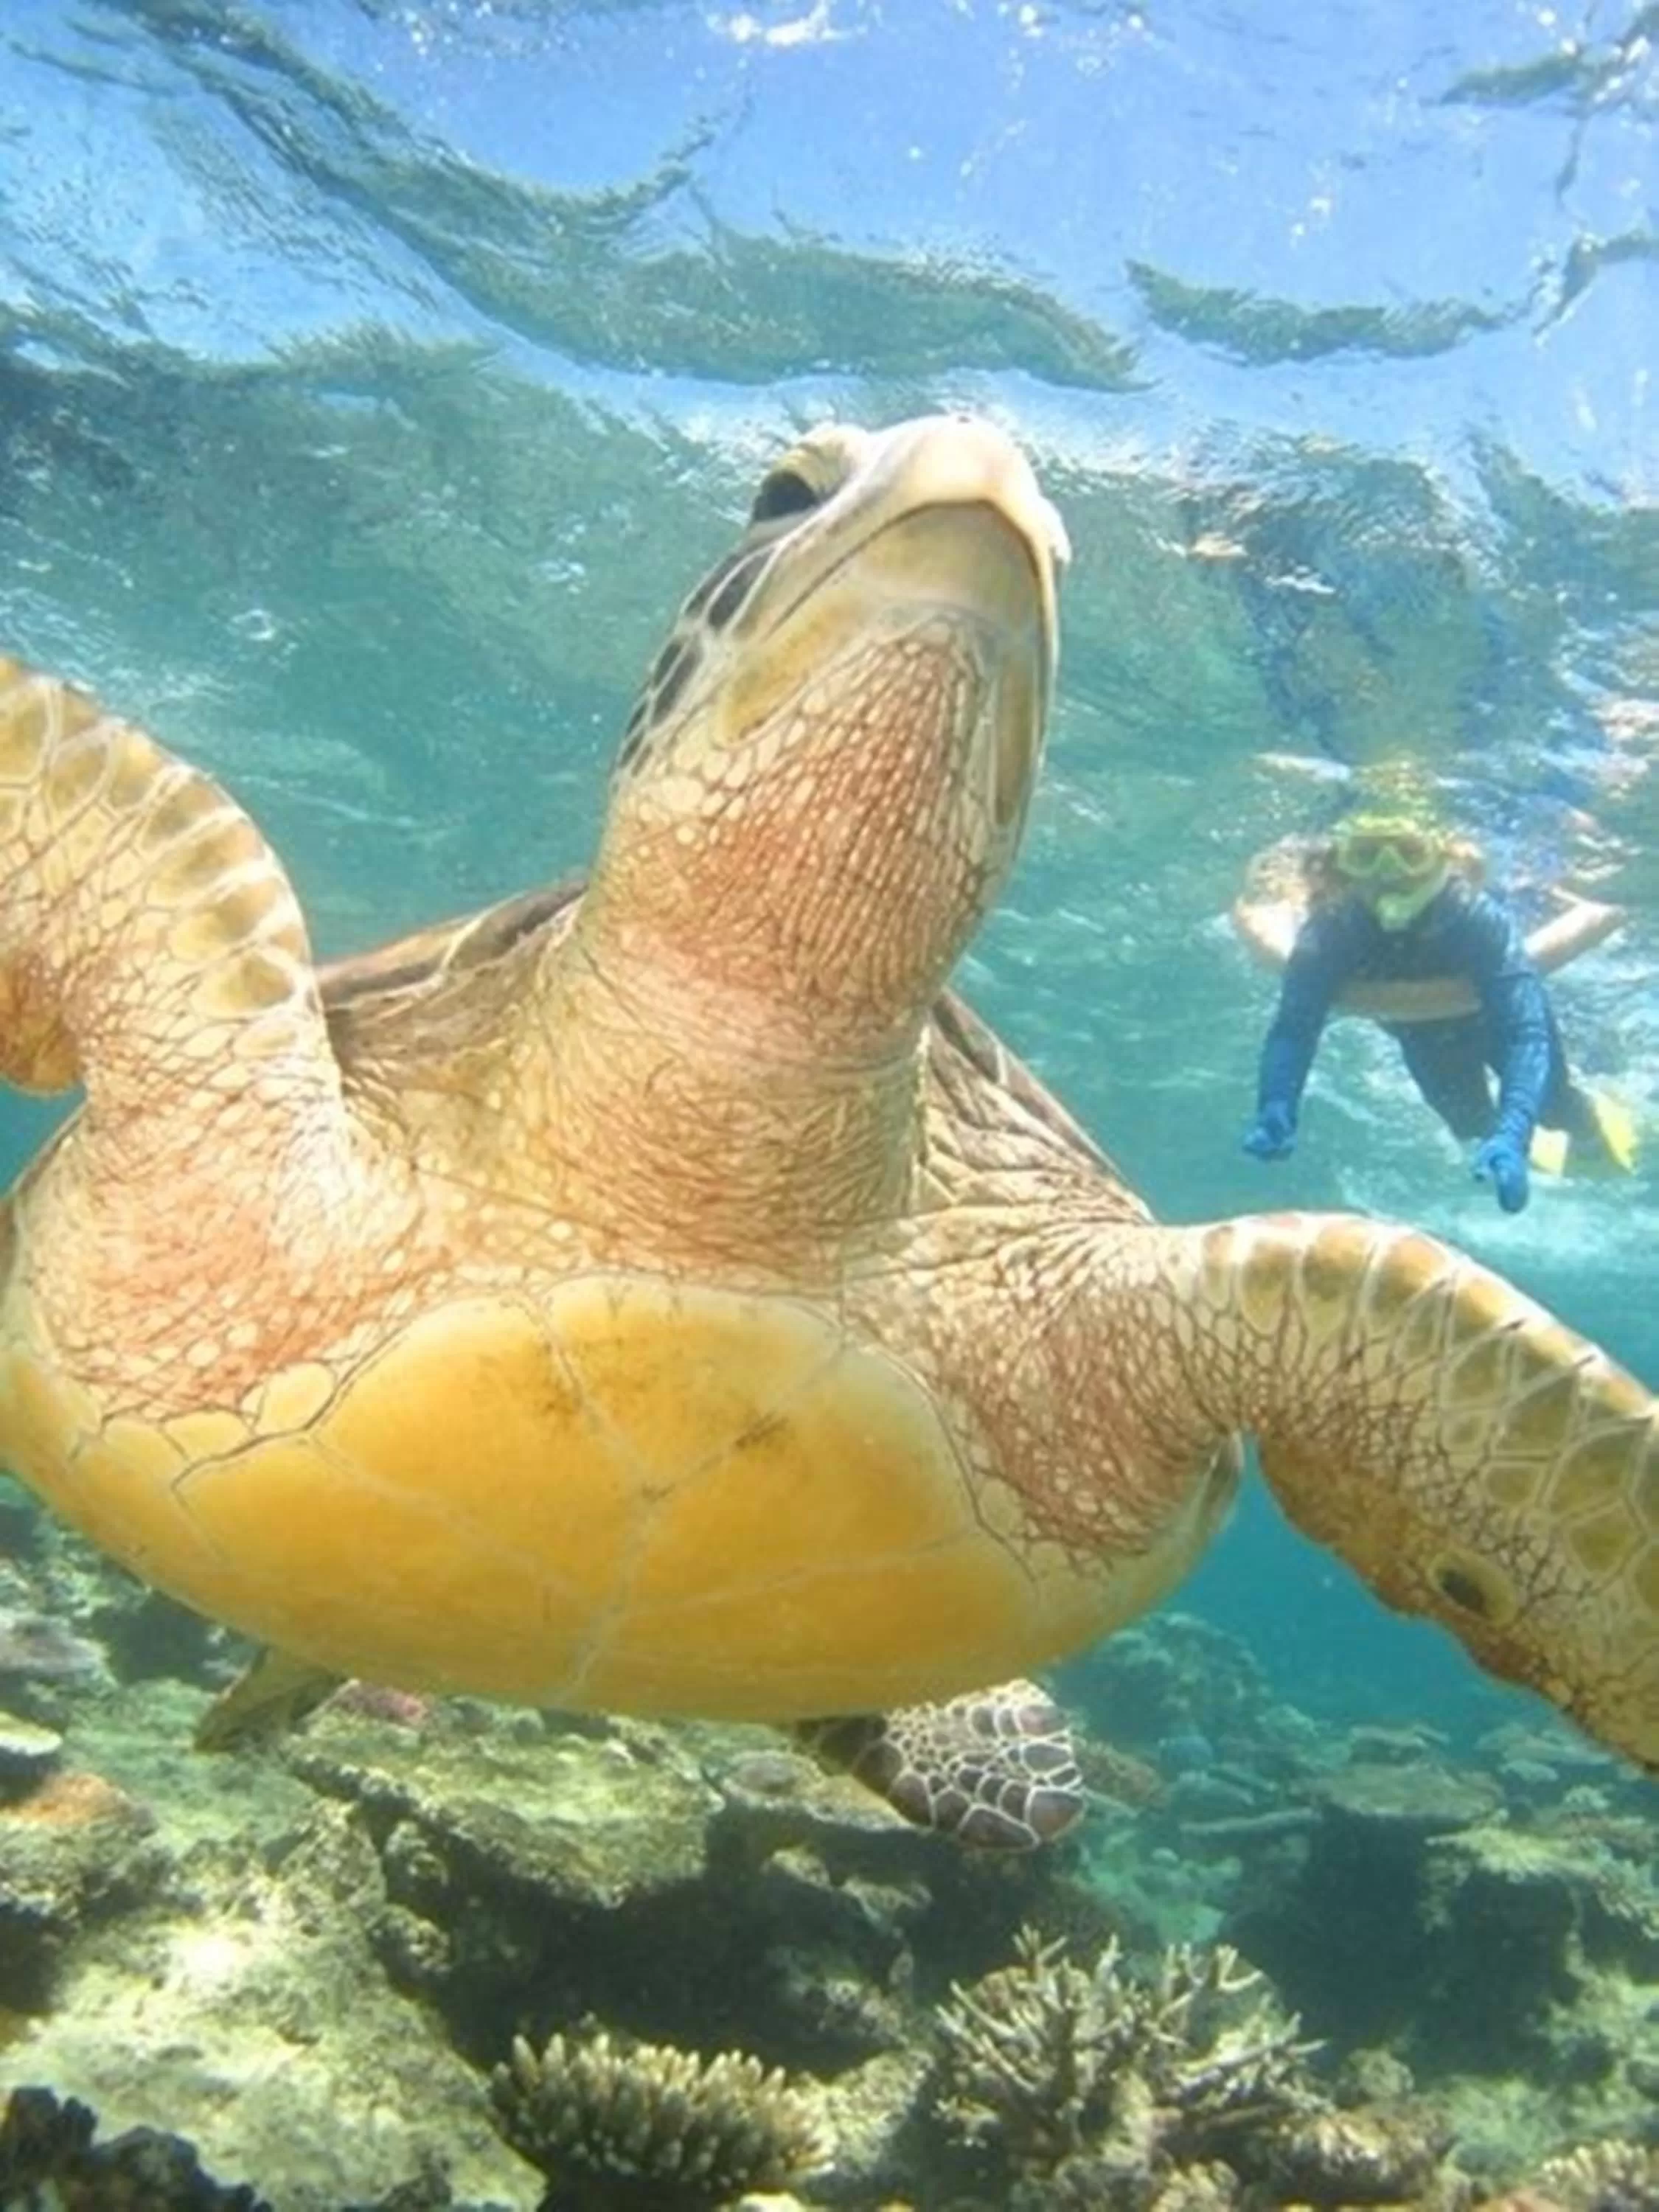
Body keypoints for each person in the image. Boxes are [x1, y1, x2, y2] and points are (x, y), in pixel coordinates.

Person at [1241, 810, 1634, 1213]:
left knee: (1554, 1104)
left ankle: (1586, 1133)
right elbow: (1294, 1029)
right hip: (1421, 1033)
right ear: (1343, 863)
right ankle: (1500, 1157)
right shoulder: (1331, 930)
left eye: (1409, 853)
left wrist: (1515, 1133)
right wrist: (1275, 1107)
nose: (1389, 874)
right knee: (1466, 1121)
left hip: (1493, 1023)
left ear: (1443, 857)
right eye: (1367, 855)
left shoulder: (1474, 918)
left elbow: (1524, 1031)